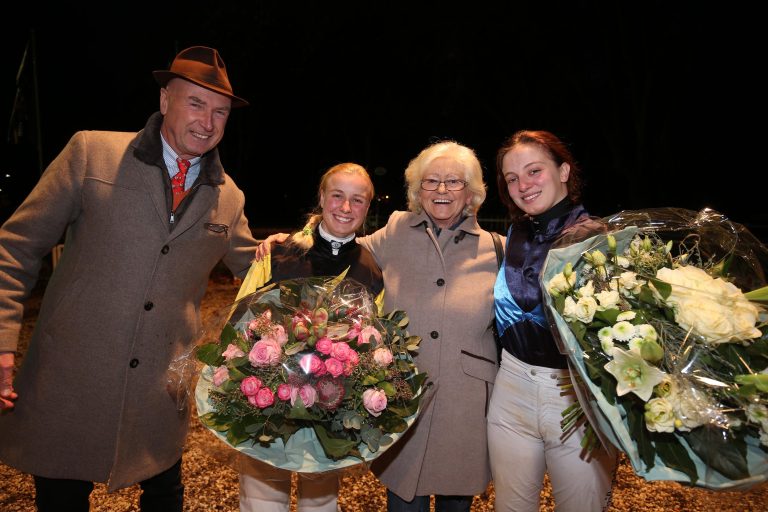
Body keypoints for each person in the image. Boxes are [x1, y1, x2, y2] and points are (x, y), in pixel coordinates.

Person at [0, 46, 259, 512]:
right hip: (71, 380)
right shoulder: (92, 154)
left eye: (220, 111)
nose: (207, 122)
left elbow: (260, 273)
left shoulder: (229, 197)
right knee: (61, 500)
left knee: (165, 498)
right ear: (164, 100)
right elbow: (14, 248)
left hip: (159, 393)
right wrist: (1, 342)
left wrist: (325, 242)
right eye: (195, 103)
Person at [258, 141, 501, 511]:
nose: (441, 189)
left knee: (456, 501)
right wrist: (292, 241)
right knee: (404, 499)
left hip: (464, 403)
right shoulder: (397, 229)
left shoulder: (497, 249)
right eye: (431, 181)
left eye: (454, 181)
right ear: (418, 190)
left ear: (471, 193)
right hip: (404, 399)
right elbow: (340, 242)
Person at [235, 162, 384, 512]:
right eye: (337, 196)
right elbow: (240, 323)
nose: (346, 207)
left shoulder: (370, 270)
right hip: (268, 402)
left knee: (320, 503)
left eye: (358, 200)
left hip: (328, 408)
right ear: (321, 197)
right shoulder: (279, 253)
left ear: (368, 206)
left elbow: (370, 343)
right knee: (261, 501)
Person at [487, 130, 618, 511]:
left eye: (534, 171)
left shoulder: (597, 237)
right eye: (512, 178)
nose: (523, 185)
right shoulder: (515, 233)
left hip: (575, 398)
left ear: (563, 171)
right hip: (511, 388)